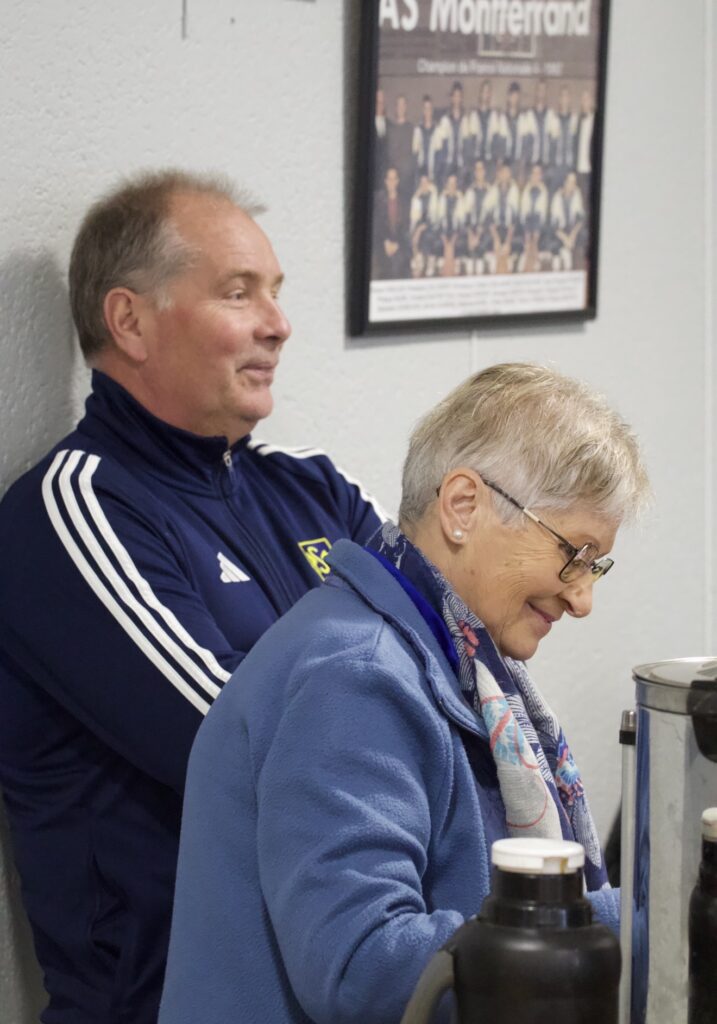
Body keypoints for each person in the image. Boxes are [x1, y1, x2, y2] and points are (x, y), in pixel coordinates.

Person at [0, 169, 384, 1024]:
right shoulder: (75, 510)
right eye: (237, 292)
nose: (278, 324)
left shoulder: (316, 491)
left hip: (338, 985)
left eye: (275, 291)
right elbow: (248, 752)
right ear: (130, 321)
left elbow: (459, 671)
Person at [159, 362, 650, 1024]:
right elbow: (361, 968)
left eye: (594, 566)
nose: (582, 598)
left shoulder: (448, 655)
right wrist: (638, 924)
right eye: (573, 553)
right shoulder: (353, 674)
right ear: (462, 507)